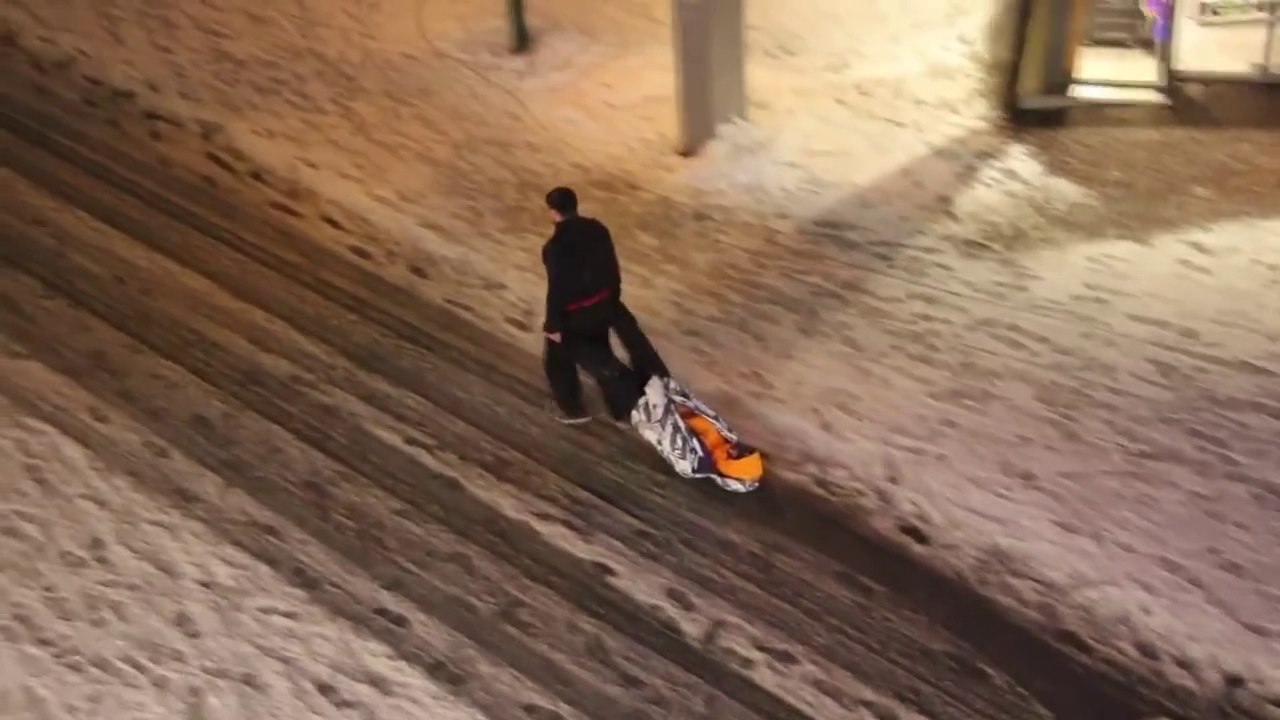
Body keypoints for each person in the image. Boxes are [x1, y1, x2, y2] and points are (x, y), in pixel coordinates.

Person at [541, 186, 669, 425]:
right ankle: (619, 410)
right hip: (605, 303)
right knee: (601, 347)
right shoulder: (598, 230)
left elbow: (557, 289)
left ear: (553, 212)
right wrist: (612, 299)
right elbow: (612, 267)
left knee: (557, 361)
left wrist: (553, 325)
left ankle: (571, 409)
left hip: (575, 315)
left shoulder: (555, 247)